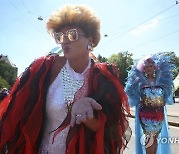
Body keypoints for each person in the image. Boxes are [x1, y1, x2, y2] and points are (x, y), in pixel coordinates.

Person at [0, 4, 131, 154]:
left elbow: (109, 130)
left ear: (90, 39)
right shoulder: (45, 68)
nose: (64, 41)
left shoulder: (103, 76)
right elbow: (17, 115)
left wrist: (85, 115)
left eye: (72, 35)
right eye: (59, 36)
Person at [125, 54, 175, 154]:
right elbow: (130, 92)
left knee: (155, 139)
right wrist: (139, 101)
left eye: (151, 66)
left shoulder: (162, 81)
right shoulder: (140, 82)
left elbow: (167, 94)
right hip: (146, 116)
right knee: (149, 140)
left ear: (155, 67)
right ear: (143, 68)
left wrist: (163, 100)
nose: (148, 68)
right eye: (146, 66)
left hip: (159, 116)